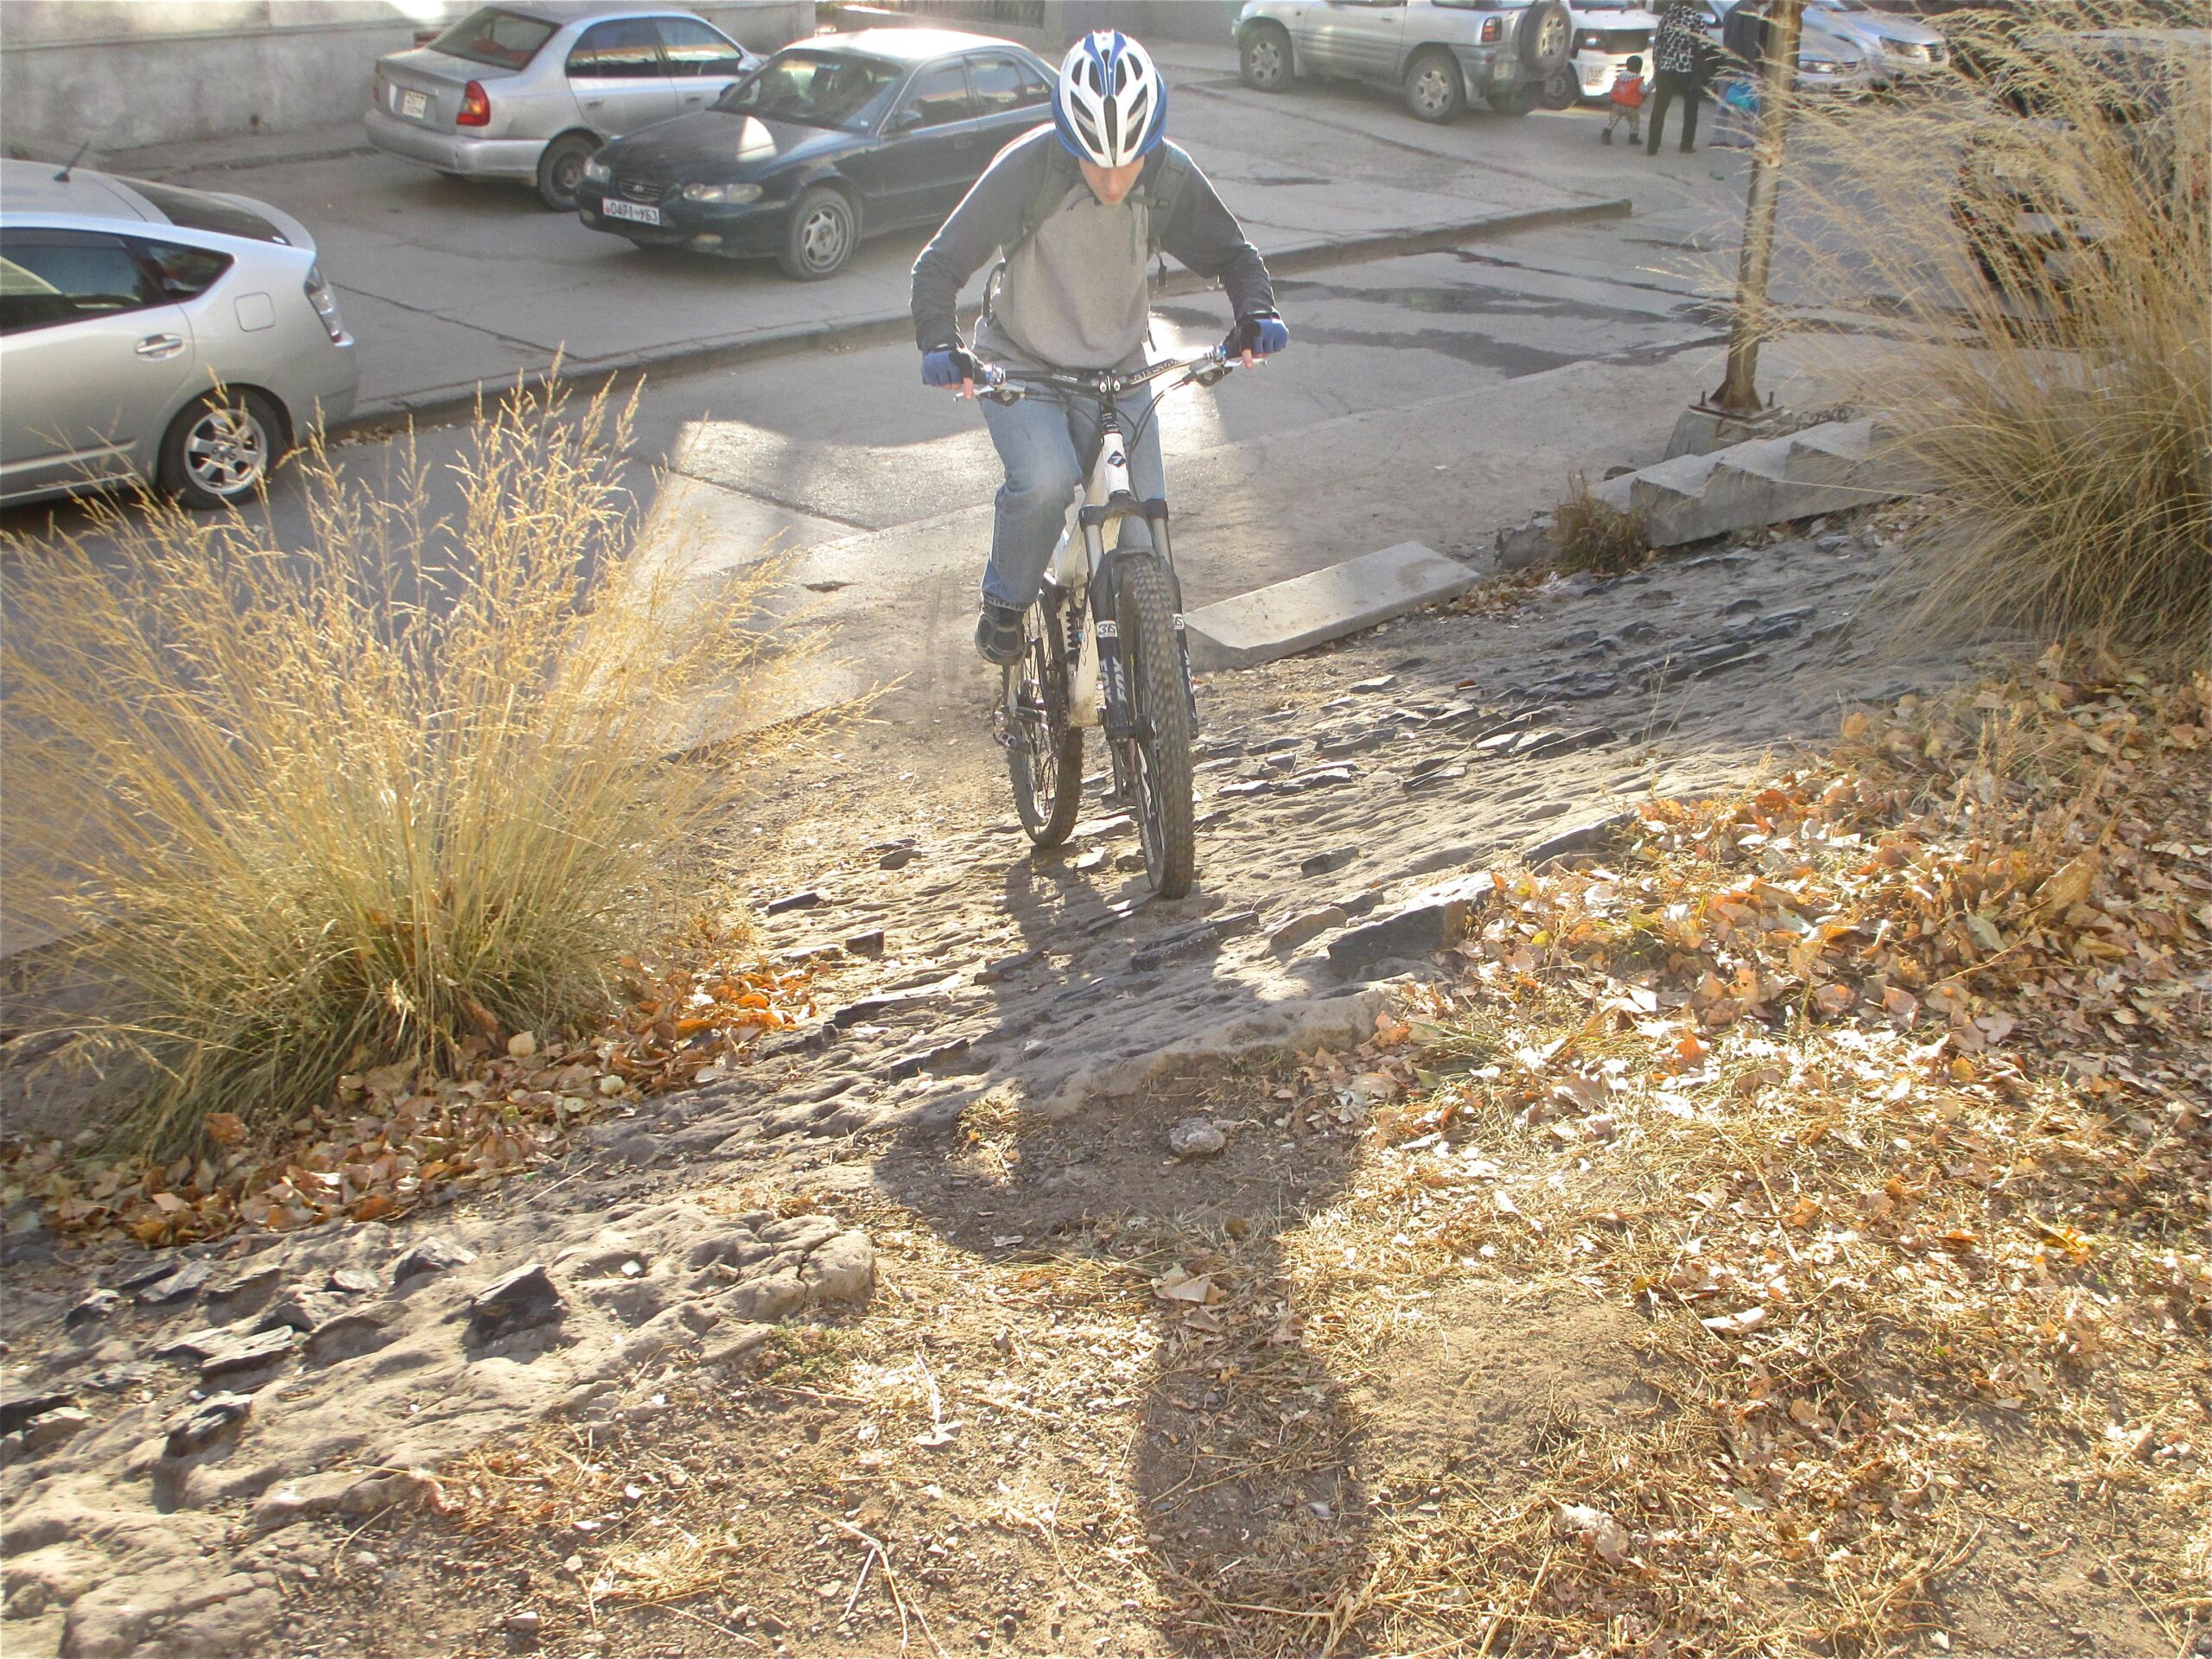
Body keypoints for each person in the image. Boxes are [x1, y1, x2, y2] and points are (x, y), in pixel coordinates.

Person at [910, 31, 1288, 666]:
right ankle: (1006, 601)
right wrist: (939, 344)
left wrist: (1257, 313)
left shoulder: (1169, 176)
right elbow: (938, 266)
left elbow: (1234, 256)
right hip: (1023, 361)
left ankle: (1150, 688)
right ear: (1069, 142)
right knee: (1047, 479)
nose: (1114, 179)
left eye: (1129, 161)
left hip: (1119, 366)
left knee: (1142, 523)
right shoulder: (1031, 169)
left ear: (1151, 143)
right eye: (1097, 162)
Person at [1646, 1, 1711, 156]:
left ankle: (1652, 146)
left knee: (1659, 108)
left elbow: (1658, 43)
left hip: (1665, 67)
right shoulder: (1696, 18)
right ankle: (1686, 144)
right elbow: (1704, 45)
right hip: (1686, 69)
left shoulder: (1667, 16)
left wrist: (1657, 66)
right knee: (1690, 108)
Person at [1601, 54, 1646, 145]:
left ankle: (1606, 135)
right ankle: (1633, 138)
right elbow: (1644, 90)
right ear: (1640, 68)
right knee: (1634, 123)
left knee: (1612, 121)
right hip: (1632, 107)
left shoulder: (1620, 77)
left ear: (1626, 66)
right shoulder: (1638, 80)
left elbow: (1614, 88)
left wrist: (1611, 98)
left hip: (1617, 104)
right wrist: (1652, 85)